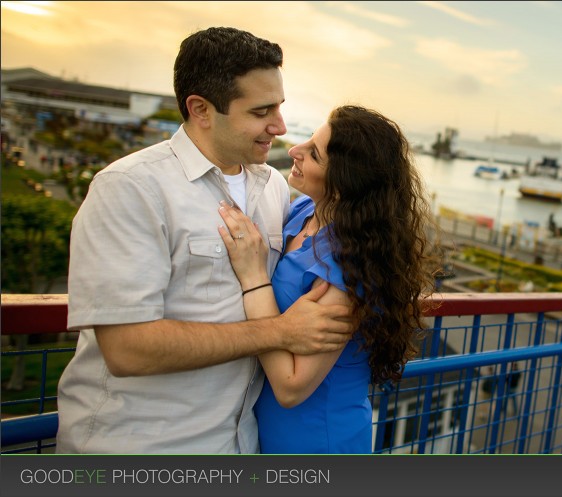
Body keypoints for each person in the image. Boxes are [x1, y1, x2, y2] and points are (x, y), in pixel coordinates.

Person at [55, 27, 354, 454]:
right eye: (261, 111)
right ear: (201, 109)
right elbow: (127, 350)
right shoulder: (131, 188)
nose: (280, 126)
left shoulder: (272, 186)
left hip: (238, 446)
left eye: (280, 107)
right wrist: (280, 332)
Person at [216, 105, 441, 453]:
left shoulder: (349, 262)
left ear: (344, 184)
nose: (294, 150)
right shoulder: (304, 213)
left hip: (318, 441)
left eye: (314, 154)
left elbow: (292, 387)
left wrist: (253, 277)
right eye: (307, 141)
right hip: (265, 433)